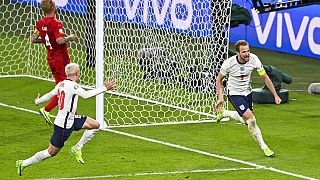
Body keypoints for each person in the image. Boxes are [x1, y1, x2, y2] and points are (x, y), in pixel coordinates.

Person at [16, 63, 116, 176]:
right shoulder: (74, 86)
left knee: (95, 125)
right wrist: (105, 88)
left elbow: (50, 94)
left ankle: (77, 148)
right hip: (63, 126)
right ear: (78, 73)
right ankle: (23, 163)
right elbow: (86, 95)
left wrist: (38, 101)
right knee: (51, 152)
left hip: (71, 119)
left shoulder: (61, 84)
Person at [215, 40, 281, 157]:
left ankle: (225, 113)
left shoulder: (254, 59)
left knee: (246, 120)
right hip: (234, 94)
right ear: (237, 53)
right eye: (244, 52)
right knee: (251, 119)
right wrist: (220, 97)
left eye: (248, 51)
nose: (247, 54)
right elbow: (219, 80)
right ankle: (264, 147)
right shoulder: (228, 64)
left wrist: (275, 95)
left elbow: (265, 77)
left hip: (247, 92)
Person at [31, 0, 77, 125]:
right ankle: (46, 109)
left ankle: (72, 114)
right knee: (64, 87)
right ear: (53, 8)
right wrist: (70, 38)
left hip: (52, 58)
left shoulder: (39, 23)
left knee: (64, 86)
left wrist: (48, 42)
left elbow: (33, 39)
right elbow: (60, 40)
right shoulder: (56, 23)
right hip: (60, 58)